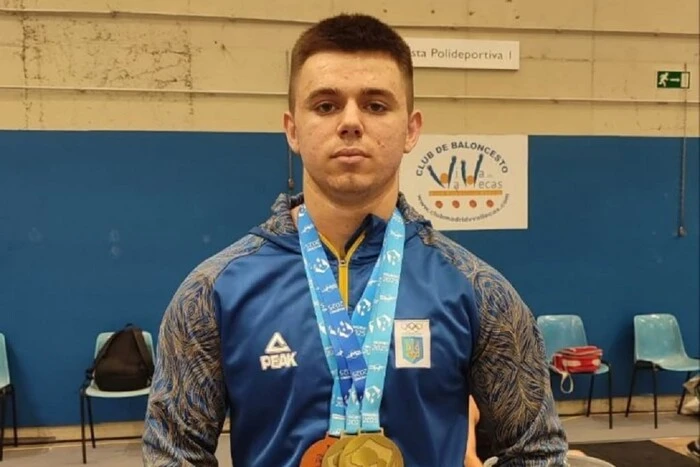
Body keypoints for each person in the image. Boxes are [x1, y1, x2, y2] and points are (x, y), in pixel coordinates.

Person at [142, 13, 568, 467]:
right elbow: (174, 453)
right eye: (326, 105)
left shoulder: (477, 292)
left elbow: (536, 451)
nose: (350, 122)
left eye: (376, 105)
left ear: (411, 130)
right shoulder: (214, 292)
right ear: (292, 129)